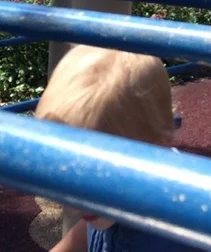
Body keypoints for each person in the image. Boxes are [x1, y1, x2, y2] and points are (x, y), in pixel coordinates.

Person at [35, 45, 198, 252]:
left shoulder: (165, 234)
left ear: (159, 144)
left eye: (94, 178)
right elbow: (82, 234)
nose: (74, 205)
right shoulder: (109, 203)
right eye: (66, 175)